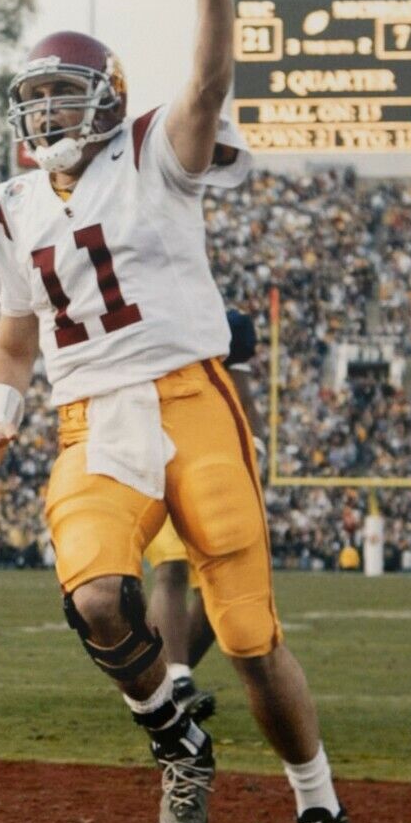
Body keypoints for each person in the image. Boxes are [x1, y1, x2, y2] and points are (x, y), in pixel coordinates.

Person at [0, 0, 354, 823]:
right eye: (38, 97)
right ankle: (178, 737)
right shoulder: (9, 207)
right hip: (91, 417)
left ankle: (320, 812)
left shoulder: (150, 149)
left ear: (105, 95)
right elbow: (17, 334)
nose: (49, 110)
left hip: (193, 400)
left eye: (65, 92)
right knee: (97, 596)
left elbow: (209, 81)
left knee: (251, 637)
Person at [143, 307, 264, 723]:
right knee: (172, 568)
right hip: (159, 465)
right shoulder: (162, 346)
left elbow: (247, 407)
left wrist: (252, 454)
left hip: (210, 478)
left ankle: (164, 682)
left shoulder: (228, 355)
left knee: (218, 591)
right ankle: (176, 680)